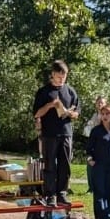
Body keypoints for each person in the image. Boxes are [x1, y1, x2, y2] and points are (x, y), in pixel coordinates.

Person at [32, 60, 79, 206]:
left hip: (66, 133)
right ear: (52, 74)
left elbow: (77, 113)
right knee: (50, 165)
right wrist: (50, 105)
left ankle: (62, 193)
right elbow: (37, 113)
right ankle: (50, 195)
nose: (61, 79)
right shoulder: (44, 91)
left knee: (65, 165)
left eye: (64, 76)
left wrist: (70, 113)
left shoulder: (70, 91)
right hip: (49, 134)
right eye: (59, 76)